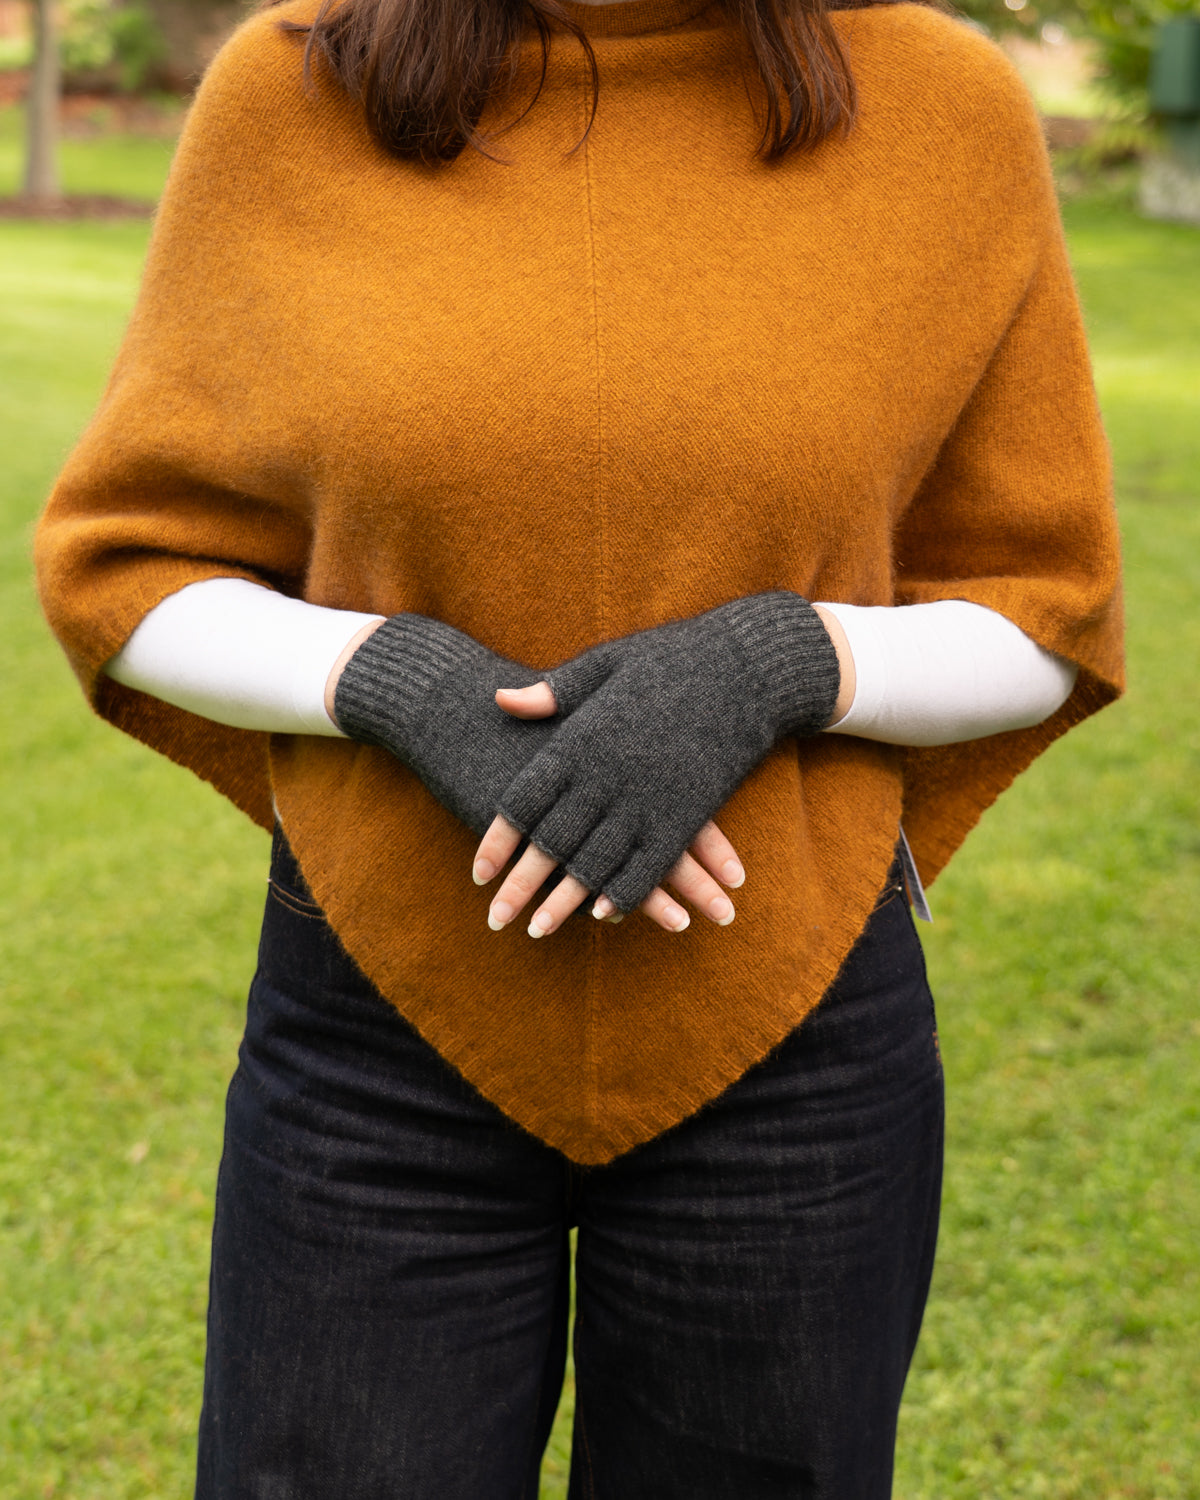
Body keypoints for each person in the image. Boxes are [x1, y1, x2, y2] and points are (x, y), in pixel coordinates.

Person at [34, 0, 1124, 1489]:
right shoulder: (293, 92)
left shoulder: (944, 107)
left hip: (794, 1028)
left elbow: (1044, 611)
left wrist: (782, 661)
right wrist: (394, 678)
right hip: (376, 1022)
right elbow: (130, 567)